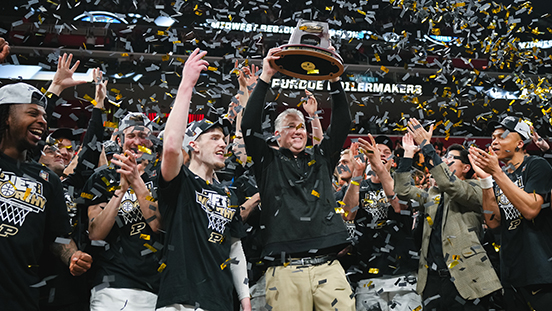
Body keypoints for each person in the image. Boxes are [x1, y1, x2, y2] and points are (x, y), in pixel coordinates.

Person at [241, 47, 355, 310]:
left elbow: (342, 123)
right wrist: (265, 76)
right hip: (284, 270)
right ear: (276, 135)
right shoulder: (267, 162)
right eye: (290, 126)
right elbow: (249, 126)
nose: (297, 131)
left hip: (328, 267)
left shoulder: (322, 158)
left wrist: (334, 78)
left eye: (301, 126)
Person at [157, 48, 251, 311]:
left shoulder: (228, 194)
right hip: (181, 300)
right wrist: (187, 84)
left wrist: (245, 299)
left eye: (224, 139)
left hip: (220, 301)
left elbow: (235, 249)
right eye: (214, 138)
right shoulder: (180, 181)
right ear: (194, 147)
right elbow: (172, 147)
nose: (223, 144)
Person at [0, 82, 92, 310]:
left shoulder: (47, 180)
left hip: (20, 297)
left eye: (43, 115)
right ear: (6, 117)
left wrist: (72, 255)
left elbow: (58, 236)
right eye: (32, 113)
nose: (42, 120)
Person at [394, 118, 502, 310]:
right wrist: (408, 154)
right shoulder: (432, 194)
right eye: (444, 158)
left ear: (466, 168)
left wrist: (427, 146)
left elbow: (449, 183)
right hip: (433, 281)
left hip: (467, 279)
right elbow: (403, 190)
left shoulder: (478, 189)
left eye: (451, 159)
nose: (445, 161)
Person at [469, 116, 552, 311]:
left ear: (520, 143)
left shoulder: (537, 165)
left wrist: (497, 173)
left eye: (502, 136)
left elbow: (531, 209)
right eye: (492, 138)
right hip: (512, 273)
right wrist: (486, 181)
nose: (494, 142)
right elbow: (493, 222)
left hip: (540, 272)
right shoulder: (502, 175)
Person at [82, 111, 162, 311]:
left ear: (151, 140)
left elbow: (158, 226)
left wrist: (136, 180)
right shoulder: (101, 178)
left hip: (156, 286)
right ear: (119, 140)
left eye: (142, 135)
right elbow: (95, 233)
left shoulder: (162, 177)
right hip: (111, 285)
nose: (137, 141)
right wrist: (121, 189)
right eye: (131, 136)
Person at [342, 135, 421, 311]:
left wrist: (379, 166)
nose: (381, 155)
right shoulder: (355, 187)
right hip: (367, 275)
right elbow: (347, 215)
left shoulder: (404, 184)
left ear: (393, 161)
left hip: (403, 274)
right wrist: (357, 173)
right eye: (377, 151)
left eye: (386, 152)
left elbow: (399, 206)